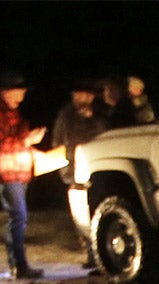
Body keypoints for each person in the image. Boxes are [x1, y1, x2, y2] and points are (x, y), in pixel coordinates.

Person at [0, 69, 46, 279]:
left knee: (19, 216)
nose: (23, 95)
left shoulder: (10, 110)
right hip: (5, 173)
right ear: (8, 91)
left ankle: (20, 264)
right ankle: (18, 265)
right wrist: (26, 141)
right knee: (18, 216)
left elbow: (13, 137)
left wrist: (30, 144)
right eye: (20, 91)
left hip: (16, 170)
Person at [51, 80, 107, 268]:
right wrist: (64, 169)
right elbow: (58, 140)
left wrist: (92, 119)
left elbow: (106, 135)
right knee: (81, 216)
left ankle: (101, 256)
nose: (80, 98)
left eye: (85, 94)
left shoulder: (100, 114)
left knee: (98, 212)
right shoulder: (65, 114)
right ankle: (92, 256)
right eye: (77, 94)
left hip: (97, 169)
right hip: (74, 171)